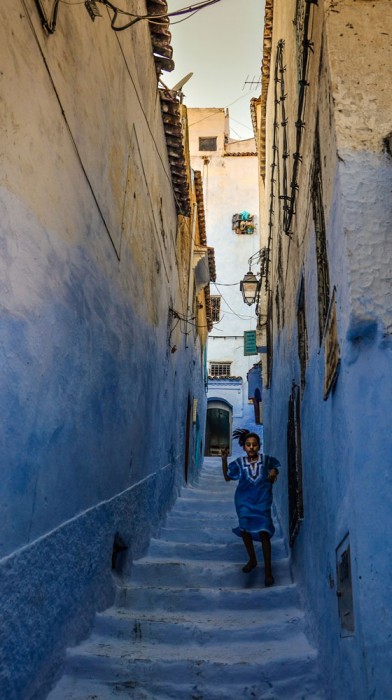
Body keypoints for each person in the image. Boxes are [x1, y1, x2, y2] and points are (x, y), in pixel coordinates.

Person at [221, 429, 280, 587]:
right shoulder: (240, 463)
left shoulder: (266, 460)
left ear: (259, 446)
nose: (251, 447)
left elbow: (275, 467)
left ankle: (268, 571)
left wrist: (274, 472)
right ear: (244, 447)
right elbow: (228, 477)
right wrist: (224, 459)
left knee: (264, 533)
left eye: (254, 444)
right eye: (248, 445)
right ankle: (252, 559)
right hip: (244, 501)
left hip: (262, 501)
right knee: (245, 529)